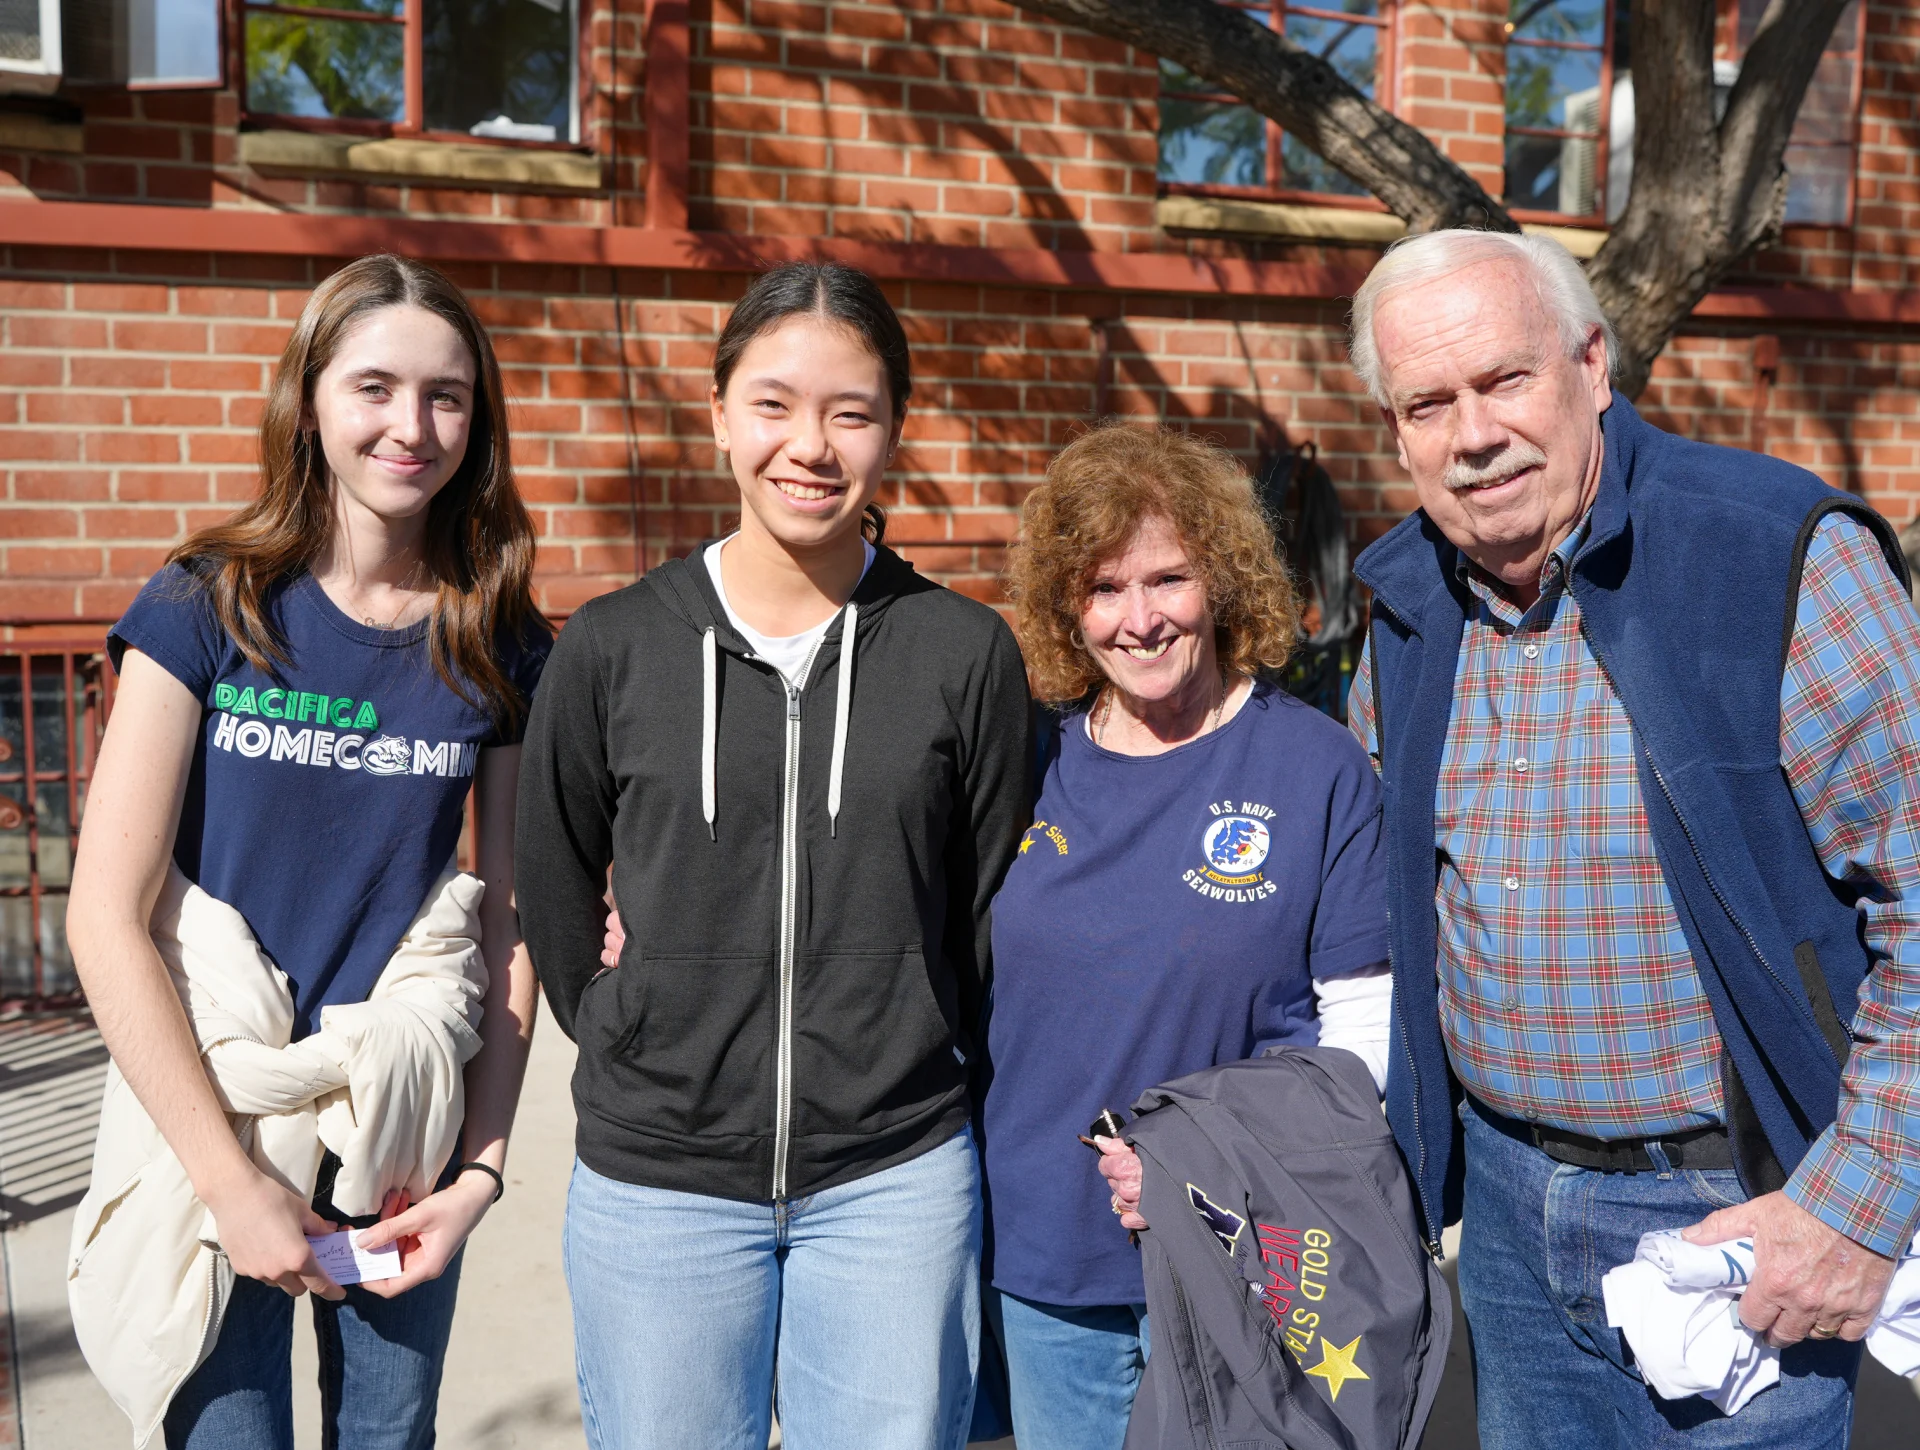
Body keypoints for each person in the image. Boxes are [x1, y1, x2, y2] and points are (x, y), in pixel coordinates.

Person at [1345, 228, 1920, 1449]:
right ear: (1397, 432)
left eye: (1504, 380)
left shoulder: (1773, 557)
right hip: (1500, 1217)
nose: (1473, 433)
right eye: (1428, 403)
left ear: (1593, 365)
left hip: (1738, 1215)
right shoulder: (1404, 610)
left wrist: (1860, 1212)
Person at [515, 262, 1031, 1450]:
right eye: (774, 404)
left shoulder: (961, 654)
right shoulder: (611, 647)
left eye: (851, 412)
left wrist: (933, 1050)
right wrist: (619, 1020)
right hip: (661, 1183)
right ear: (718, 416)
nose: (811, 444)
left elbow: (992, 904)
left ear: (894, 430)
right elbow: (548, 877)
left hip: (892, 1178)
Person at [66, 253, 550, 1449]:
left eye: (447, 394)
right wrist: (232, 1188)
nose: (412, 424)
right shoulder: (206, 604)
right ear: (312, 400)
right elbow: (104, 915)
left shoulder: (497, 640)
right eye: (375, 386)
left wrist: (476, 1176)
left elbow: (513, 921)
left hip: (398, 1137)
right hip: (217, 1125)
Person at [979, 422, 1394, 1450]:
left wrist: (1208, 1164)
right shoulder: (1024, 760)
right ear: (1064, 608)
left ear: (1224, 578)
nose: (1140, 619)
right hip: (1052, 1258)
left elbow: (1362, 1042)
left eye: (1168, 579)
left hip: (1248, 1251)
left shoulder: (1316, 766)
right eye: (1104, 588)